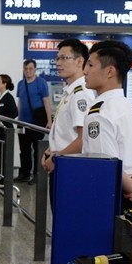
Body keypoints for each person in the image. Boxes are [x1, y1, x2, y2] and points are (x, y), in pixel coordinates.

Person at [81, 40, 132, 208]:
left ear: (110, 71)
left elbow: (109, 165)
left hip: (109, 196)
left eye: (90, 65)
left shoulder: (99, 114)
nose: (85, 71)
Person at [41, 39, 95, 174]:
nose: (58, 63)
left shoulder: (80, 94)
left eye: (64, 58)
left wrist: (55, 158)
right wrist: (51, 150)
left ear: (79, 61)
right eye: (58, 58)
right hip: (61, 159)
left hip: (70, 165)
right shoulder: (70, 91)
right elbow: (66, 132)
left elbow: (83, 139)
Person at [16, 59, 51, 183]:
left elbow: (46, 101)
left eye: (30, 69)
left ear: (35, 69)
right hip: (23, 122)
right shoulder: (21, 84)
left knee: (37, 149)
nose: (28, 71)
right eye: (26, 69)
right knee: (24, 150)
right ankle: (24, 173)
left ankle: (37, 175)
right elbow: (20, 102)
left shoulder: (41, 83)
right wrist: (18, 119)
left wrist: (49, 120)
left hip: (37, 122)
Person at [0, 74, 18, 185]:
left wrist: (3, 121)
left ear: (4, 84)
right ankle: (2, 175)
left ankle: (7, 177)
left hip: (6, 130)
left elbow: (14, 113)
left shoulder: (8, 97)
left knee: (5, 154)